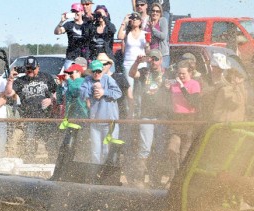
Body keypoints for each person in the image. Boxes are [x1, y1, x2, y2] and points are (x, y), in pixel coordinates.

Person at [130, 49, 168, 186]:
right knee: (144, 147)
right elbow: (132, 74)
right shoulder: (145, 72)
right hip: (146, 114)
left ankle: (155, 179)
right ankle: (139, 179)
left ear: (161, 60)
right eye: (151, 59)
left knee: (159, 148)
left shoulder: (168, 72)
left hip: (162, 115)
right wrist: (137, 62)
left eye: (156, 59)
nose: (154, 61)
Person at [5, 56, 58, 156]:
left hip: (47, 118)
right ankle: (28, 167)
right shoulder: (20, 81)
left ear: (38, 67)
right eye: (28, 69)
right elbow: (8, 93)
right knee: (30, 145)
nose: (30, 71)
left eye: (33, 69)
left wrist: (51, 100)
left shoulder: (46, 77)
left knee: (51, 144)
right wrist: (11, 78)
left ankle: (53, 165)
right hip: (29, 118)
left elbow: (57, 92)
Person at [80, 59, 122, 165]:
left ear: (102, 70)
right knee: (95, 151)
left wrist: (104, 92)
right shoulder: (88, 80)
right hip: (95, 122)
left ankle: (107, 173)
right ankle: (95, 173)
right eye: (94, 71)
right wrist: (93, 90)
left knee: (107, 150)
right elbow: (82, 94)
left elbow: (118, 93)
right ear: (91, 71)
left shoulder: (108, 79)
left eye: (98, 71)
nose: (96, 74)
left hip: (110, 122)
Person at [166, 61, 201, 182]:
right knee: (172, 149)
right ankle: (173, 177)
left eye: (183, 73)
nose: (181, 76)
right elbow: (164, 101)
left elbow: (193, 102)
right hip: (176, 119)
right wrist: (165, 88)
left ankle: (183, 179)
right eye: (179, 73)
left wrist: (181, 86)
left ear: (190, 72)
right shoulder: (173, 85)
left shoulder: (194, 84)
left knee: (185, 155)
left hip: (188, 119)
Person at [117, 12, 147, 108]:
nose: (134, 20)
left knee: (140, 89)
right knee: (129, 89)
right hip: (128, 63)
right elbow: (119, 36)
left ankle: (139, 111)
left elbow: (148, 49)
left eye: (136, 18)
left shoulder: (144, 34)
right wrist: (124, 22)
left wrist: (148, 45)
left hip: (141, 64)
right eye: (132, 19)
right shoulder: (127, 33)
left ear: (140, 21)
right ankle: (130, 112)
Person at [55, 3, 91, 69]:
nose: (75, 13)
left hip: (85, 57)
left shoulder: (87, 25)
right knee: (69, 76)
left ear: (82, 12)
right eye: (73, 11)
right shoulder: (69, 24)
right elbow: (57, 32)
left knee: (85, 77)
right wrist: (61, 21)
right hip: (71, 57)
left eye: (77, 11)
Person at [146, 2, 169, 68]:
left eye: (157, 11)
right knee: (150, 76)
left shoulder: (163, 21)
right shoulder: (147, 22)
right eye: (153, 11)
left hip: (162, 54)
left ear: (160, 13)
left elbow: (163, 36)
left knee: (162, 76)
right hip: (151, 55)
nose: (155, 13)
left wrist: (152, 28)